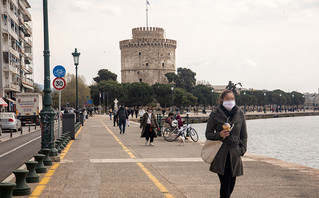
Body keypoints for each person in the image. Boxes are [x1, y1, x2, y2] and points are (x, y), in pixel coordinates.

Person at [205, 89, 247, 198]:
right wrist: (219, 135)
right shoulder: (215, 114)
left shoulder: (239, 113)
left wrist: (242, 149)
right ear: (222, 99)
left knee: (232, 184)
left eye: (232, 99)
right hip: (221, 154)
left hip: (235, 154)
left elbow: (244, 134)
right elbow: (208, 134)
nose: (230, 101)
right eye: (228, 99)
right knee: (225, 184)